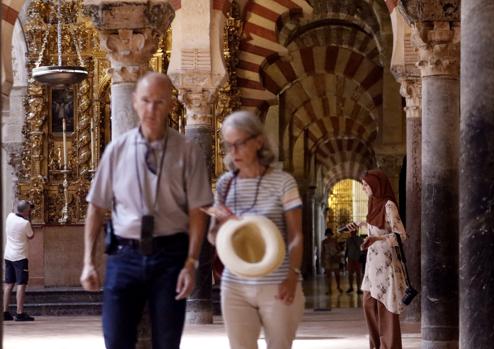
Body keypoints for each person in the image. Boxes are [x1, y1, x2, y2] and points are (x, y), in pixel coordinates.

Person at [80, 72, 212, 349]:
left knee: (166, 341)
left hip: (170, 257)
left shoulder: (187, 152)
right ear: (134, 103)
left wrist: (191, 262)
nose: (151, 109)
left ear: (171, 105)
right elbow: (96, 206)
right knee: (116, 339)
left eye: (159, 102)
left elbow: (198, 210)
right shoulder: (117, 150)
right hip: (124, 255)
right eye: (146, 101)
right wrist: (88, 262)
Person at [207, 110, 304, 349]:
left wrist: (292, 275)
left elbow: (296, 235)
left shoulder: (283, 182)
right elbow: (213, 238)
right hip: (234, 284)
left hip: (278, 282)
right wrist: (221, 224)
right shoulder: (225, 183)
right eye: (228, 146)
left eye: (239, 144)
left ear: (258, 141)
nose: (233, 152)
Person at [345, 169, 407, 349]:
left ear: (375, 185)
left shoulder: (389, 206)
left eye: (365, 185)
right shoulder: (373, 204)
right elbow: (376, 228)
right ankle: (376, 345)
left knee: (386, 307)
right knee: (368, 304)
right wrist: (361, 225)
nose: (364, 188)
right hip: (372, 265)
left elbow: (401, 236)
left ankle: (390, 346)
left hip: (386, 265)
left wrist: (377, 239)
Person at [3, 200, 35, 321]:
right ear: (26, 212)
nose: (30, 211)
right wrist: (29, 217)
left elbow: (16, 205)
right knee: (21, 284)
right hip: (20, 257)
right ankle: (20, 313)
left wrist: (26, 205)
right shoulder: (25, 223)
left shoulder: (9, 217)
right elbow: (31, 236)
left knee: (8, 283)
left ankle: (5, 312)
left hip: (8, 255)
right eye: (29, 210)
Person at [321, 228, 342, 294]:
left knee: (337, 274)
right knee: (328, 275)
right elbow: (322, 251)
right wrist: (322, 260)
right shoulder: (324, 242)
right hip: (327, 259)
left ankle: (338, 287)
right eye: (327, 234)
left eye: (329, 234)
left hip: (334, 258)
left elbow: (338, 249)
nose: (328, 235)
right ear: (326, 234)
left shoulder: (334, 241)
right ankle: (329, 289)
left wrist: (336, 255)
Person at [344, 228, 363, 294]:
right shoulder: (348, 240)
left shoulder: (360, 239)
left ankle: (358, 288)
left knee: (358, 274)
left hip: (357, 258)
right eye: (351, 231)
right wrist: (345, 258)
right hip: (350, 258)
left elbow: (362, 248)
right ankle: (351, 287)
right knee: (350, 274)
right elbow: (347, 249)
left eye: (353, 231)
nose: (351, 232)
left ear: (356, 231)